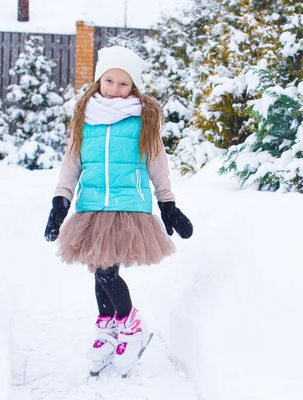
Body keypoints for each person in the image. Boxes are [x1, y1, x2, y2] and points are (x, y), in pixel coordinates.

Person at [43, 45, 193, 376]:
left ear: (134, 87)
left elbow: (158, 164)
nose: (114, 89)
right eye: (108, 80)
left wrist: (167, 204)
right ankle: (110, 328)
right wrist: (60, 201)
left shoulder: (143, 121)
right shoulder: (85, 120)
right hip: (92, 207)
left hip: (128, 208)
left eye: (123, 84)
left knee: (106, 271)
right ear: (99, 81)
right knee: (100, 269)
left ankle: (131, 325)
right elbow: (72, 164)